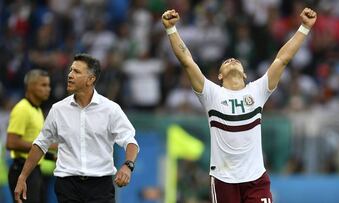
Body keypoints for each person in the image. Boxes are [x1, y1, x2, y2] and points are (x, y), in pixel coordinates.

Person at [162, 7, 317, 203]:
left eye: (235, 60)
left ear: (245, 74)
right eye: (227, 61)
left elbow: (282, 59)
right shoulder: (211, 94)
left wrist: (304, 27)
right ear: (219, 76)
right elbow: (186, 60)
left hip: (256, 179)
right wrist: (171, 30)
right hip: (223, 179)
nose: (232, 60)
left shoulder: (257, 90)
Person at [14, 53, 139, 203]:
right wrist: (22, 177)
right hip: (68, 186)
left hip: (100, 187)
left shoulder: (111, 109)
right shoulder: (58, 109)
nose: (70, 75)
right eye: (70, 70)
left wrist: (127, 166)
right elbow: (41, 144)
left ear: (90, 79)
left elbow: (130, 141)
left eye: (77, 72)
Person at [6, 69, 52, 203]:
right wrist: (45, 145)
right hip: (22, 171)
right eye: (43, 85)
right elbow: (11, 143)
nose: (48, 89)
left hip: (35, 171)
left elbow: (33, 144)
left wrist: (51, 155)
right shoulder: (22, 109)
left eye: (48, 85)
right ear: (30, 86)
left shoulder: (36, 110)